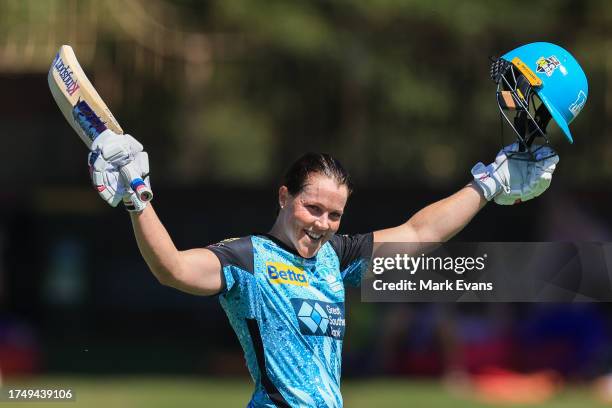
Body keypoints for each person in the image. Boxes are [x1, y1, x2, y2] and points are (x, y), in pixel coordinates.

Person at [85, 42, 585, 407]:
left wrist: (490, 184)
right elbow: (172, 268)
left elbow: (418, 233)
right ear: (284, 197)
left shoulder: (334, 257)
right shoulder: (248, 259)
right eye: (312, 208)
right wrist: (137, 200)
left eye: (334, 215)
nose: (322, 224)